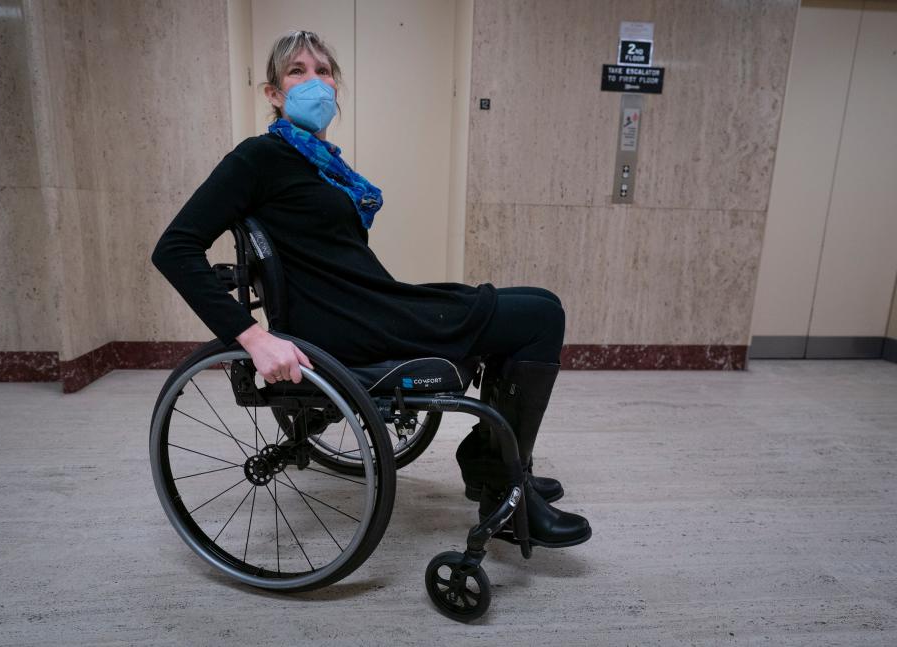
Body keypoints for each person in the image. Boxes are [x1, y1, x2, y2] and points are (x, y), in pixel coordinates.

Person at [151, 30, 591, 548]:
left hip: (367, 303)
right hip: (346, 323)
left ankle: (492, 461)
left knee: (540, 303)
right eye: (297, 71)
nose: (314, 81)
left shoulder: (319, 162)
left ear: (336, 87)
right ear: (273, 93)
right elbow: (174, 248)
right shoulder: (257, 157)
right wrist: (252, 337)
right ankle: (500, 482)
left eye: (323, 71)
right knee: (541, 319)